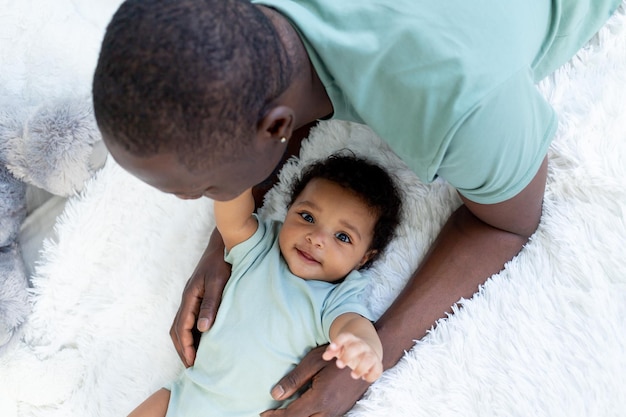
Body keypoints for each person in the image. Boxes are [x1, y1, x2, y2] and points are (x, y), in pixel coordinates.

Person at [92, 0, 623, 415]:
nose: (198, 199)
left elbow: (507, 224)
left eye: (201, 186)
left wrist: (369, 360)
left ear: (276, 127)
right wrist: (229, 241)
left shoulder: (461, 104)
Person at [127, 154, 402, 417]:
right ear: (289, 210)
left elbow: (353, 327)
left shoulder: (335, 298)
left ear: (364, 258)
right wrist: (233, 178)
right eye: (307, 217)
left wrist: (363, 348)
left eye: (342, 237)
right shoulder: (261, 248)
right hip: (187, 395)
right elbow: (232, 220)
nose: (316, 238)